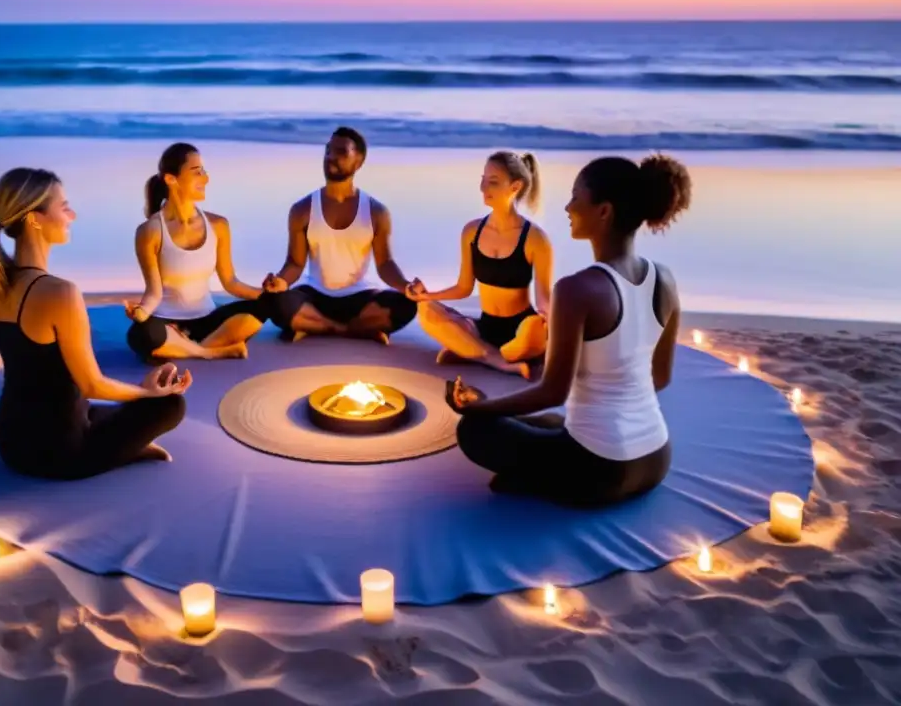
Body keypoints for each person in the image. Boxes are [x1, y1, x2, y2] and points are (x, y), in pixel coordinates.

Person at [446, 153, 692, 508]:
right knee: (533, 420)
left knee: (474, 430)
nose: (567, 206)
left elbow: (552, 392)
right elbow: (661, 377)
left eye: (576, 197)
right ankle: (546, 462)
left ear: (604, 211)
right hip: (656, 458)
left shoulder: (577, 290)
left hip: (601, 470)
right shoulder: (664, 278)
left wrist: (480, 409)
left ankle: (540, 480)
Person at [0, 167, 191, 481]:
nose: (72, 215)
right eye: (64, 207)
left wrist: (139, 392)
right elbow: (92, 384)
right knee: (170, 405)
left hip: (10, 440)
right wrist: (148, 394)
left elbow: (47, 379)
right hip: (60, 452)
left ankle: (122, 442)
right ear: (34, 218)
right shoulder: (59, 293)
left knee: (101, 408)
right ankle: (122, 451)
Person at [263, 127, 418, 343]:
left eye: (341, 152)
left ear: (359, 162)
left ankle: (316, 326)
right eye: (328, 151)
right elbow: (295, 263)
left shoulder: (376, 212)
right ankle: (356, 329)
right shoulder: (302, 209)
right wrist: (280, 282)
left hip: (361, 296)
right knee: (275, 302)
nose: (331, 157)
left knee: (407, 305)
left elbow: (385, 264)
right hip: (314, 294)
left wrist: (405, 286)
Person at [407, 151, 552, 379]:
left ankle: (473, 352)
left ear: (515, 187)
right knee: (427, 311)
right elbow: (464, 287)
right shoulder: (472, 232)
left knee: (535, 328)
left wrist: (557, 333)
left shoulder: (536, 239)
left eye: (493, 182)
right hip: (485, 327)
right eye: (483, 179)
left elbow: (544, 300)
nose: (484, 188)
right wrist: (426, 295)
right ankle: (499, 360)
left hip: (521, 328)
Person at [125, 142, 269, 361]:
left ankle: (184, 349)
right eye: (197, 172)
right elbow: (154, 292)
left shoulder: (218, 225)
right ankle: (209, 352)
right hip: (167, 323)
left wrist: (269, 297)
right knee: (141, 334)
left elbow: (230, 281)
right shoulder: (150, 231)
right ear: (171, 179)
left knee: (260, 310)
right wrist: (141, 312)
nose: (206, 178)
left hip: (208, 320)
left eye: (204, 171)